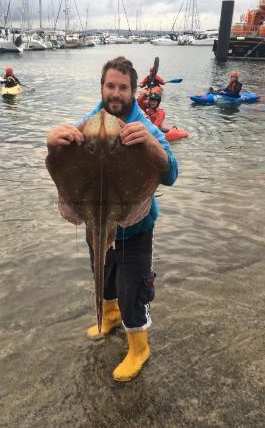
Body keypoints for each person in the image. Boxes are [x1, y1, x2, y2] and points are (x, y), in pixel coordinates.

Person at [46, 57, 178, 382]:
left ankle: (139, 348)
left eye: (122, 87)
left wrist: (150, 145)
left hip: (135, 227)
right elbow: (58, 158)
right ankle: (109, 317)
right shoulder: (88, 122)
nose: (115, 93)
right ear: (102, 87)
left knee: (132, 288)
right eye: (110, 86)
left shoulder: (143, 127)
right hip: (95, 218)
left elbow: (171, 173)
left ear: (133, 91)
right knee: (103, 276)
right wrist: (51, 143)